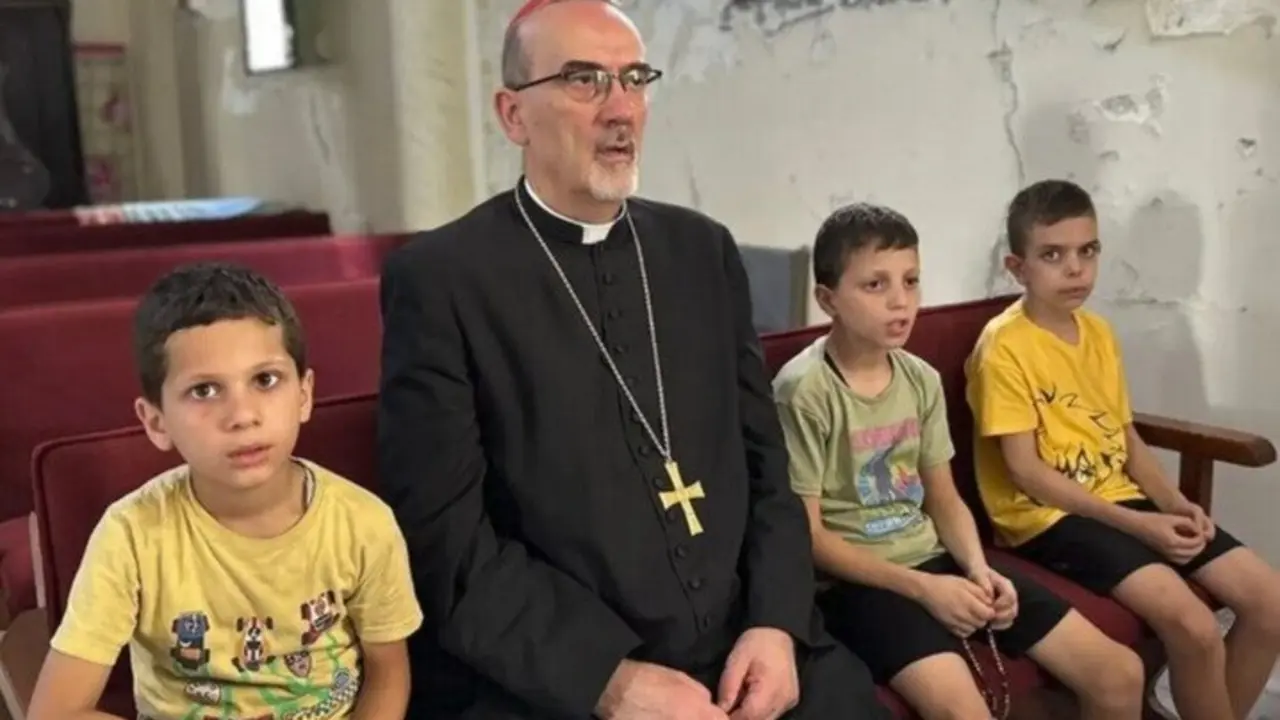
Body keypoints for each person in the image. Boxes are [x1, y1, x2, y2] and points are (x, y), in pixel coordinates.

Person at [374, 1, 890, 718]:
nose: (621, 109)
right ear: (513, 114)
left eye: (635, 79)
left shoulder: (703, 252)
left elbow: (767, 464)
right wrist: (610, 682)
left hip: (747, 644)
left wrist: (774, 624)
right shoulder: (442, 280)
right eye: (585, 81)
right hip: (558, 671)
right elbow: (445, 539)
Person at [773, 202, 1144, 720]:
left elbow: (943, 497)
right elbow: (810, 538)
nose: (900, 302)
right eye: (875, 286)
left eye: (911, 281)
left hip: (935, 557)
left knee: (1118, 673)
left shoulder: (919, 378)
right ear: (828, 299)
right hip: (858, 583)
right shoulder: (804, 391)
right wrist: (927, 590)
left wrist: (977, 570)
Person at [27, 263, 423, 720]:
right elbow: (54, 712)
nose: (242, 415)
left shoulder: (363, 523)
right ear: (156, 422)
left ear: (304, 394)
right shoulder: (131, 535)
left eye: (265, 380)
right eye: (204, 390)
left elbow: (387, 671)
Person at [965, 179, 1280, 720]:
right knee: (1195, 626)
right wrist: (1140, 525)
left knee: (1270, 601)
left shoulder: (1098, 333)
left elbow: (1123, 436)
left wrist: (1173, 502)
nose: (1075, 269)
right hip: (1048, 517)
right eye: (1053, 255)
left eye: (1087, 251)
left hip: (1119, 501)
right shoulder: (1004, 347)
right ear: (1018, 268)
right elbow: (1026, 473)